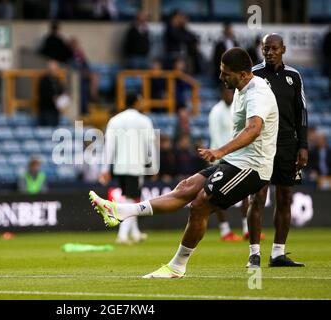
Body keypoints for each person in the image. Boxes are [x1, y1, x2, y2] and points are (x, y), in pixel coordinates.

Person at [89, 48, 279, 278]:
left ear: (243, 74)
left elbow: (254, 129)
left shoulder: (257, 93)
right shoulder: (241, 88)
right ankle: (120, 211)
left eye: (225, 73)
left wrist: (220, 150)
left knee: (200, 205)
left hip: (252, 167)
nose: (221, 77)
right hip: (235, 161)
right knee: (185, 187)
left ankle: (177, 266)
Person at [247, 34, 308, 268]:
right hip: (262, 143)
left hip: (287, 145)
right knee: (258, 197)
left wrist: (303, 146)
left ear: (283, 49)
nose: (269, 52)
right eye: (265, 49)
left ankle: (278, 254)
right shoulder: (254, 75)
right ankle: (254, 253)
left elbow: (301, 112)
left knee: (285, 197)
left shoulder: (294, 76)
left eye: (274, 48)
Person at [98, 92, 157, 245]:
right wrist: (154, 167)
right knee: (131, 199)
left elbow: (109, 146)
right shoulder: (144, 121)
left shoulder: (115, 120)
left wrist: (105, 169)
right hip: (136, 166)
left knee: (131, 198)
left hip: (120, 166)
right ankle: (122, 235)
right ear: (137, 102)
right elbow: (151, 146)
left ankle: (135, 233)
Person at [209, 85, 249, 241]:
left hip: (237, 156)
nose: (229, 95)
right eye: (225, 92)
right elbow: (216, 137)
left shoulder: (236, 108)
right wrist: (222, 155)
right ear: (221, 94)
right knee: (217, 194)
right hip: (220, 159)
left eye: (230, 92)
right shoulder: (215, 112)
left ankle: (247, 228)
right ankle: (225, 231)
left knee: (245, 192)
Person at [38, 60, 67, 126]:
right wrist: (53, 98)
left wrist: (63, 96)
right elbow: (43, 95)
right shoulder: (44, 80)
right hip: (47, 111)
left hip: (55, 111)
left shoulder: (57, 80)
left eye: (56, 69)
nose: (56, 71)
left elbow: (61, 91)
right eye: (54, 70)